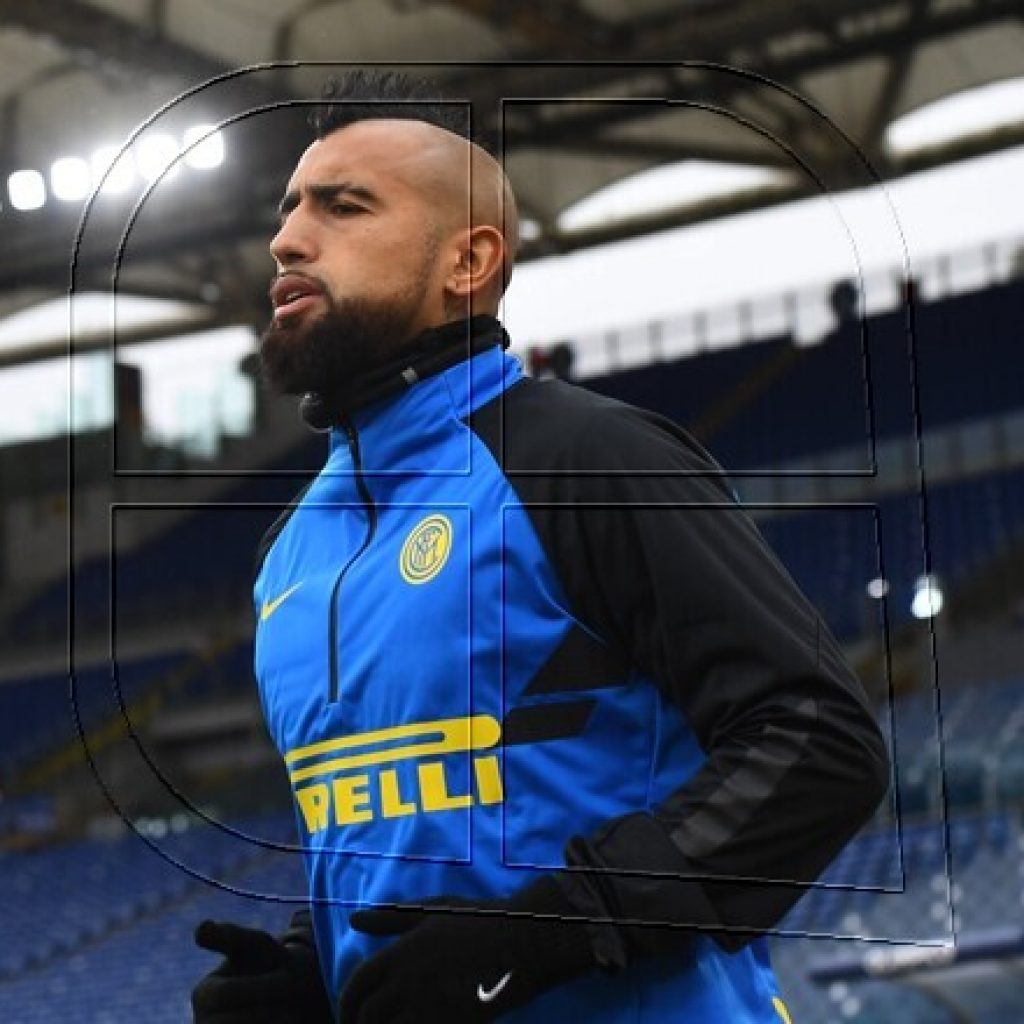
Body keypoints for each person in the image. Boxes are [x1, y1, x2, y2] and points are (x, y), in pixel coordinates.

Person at [191, 71, 889, 1023]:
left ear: (468, 261)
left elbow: (820, 743)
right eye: (288, 209)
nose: (287, 238)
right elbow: (390, 822)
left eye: (342, 206)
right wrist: (312, 971)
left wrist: (551, 933)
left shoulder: (583, 458)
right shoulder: (290, 553)